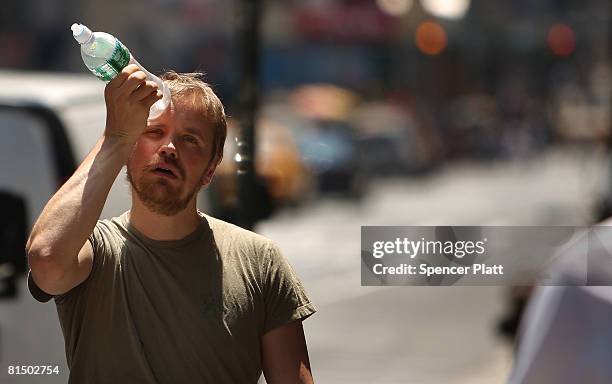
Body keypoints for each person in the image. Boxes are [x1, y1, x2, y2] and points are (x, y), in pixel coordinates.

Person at [26, 65, 317, 383]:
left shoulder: (259, 260)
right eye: (153, 132)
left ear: (210, 169)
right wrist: (115, 138)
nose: (169, 148)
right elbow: (46, 259)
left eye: (190, 139)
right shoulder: (94, 250)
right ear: (130, 148)